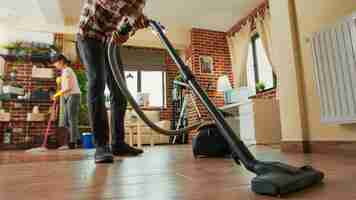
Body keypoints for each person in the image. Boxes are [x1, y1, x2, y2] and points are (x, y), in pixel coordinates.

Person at [76, 0, 148, 163]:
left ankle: (118, 143)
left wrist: (125, 32)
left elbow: (128, 25)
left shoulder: (141, 1)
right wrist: (132, 14)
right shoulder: (132, 7)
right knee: (97, 84)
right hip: (89, 35)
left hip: (110, 43)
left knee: (120, 90)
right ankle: (101, 146)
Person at [52, 54, 82, 149]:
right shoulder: (65, 71)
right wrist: (60, 80)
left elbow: (68, 88)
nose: (55, 66)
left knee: (71, 120)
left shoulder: (67, 70)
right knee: (66, 120)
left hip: (73, 96)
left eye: (55, 63)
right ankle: (78, 140)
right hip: (70, 96)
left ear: (60, 61)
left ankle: (72, 143)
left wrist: (56, 94)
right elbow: (67, 84)